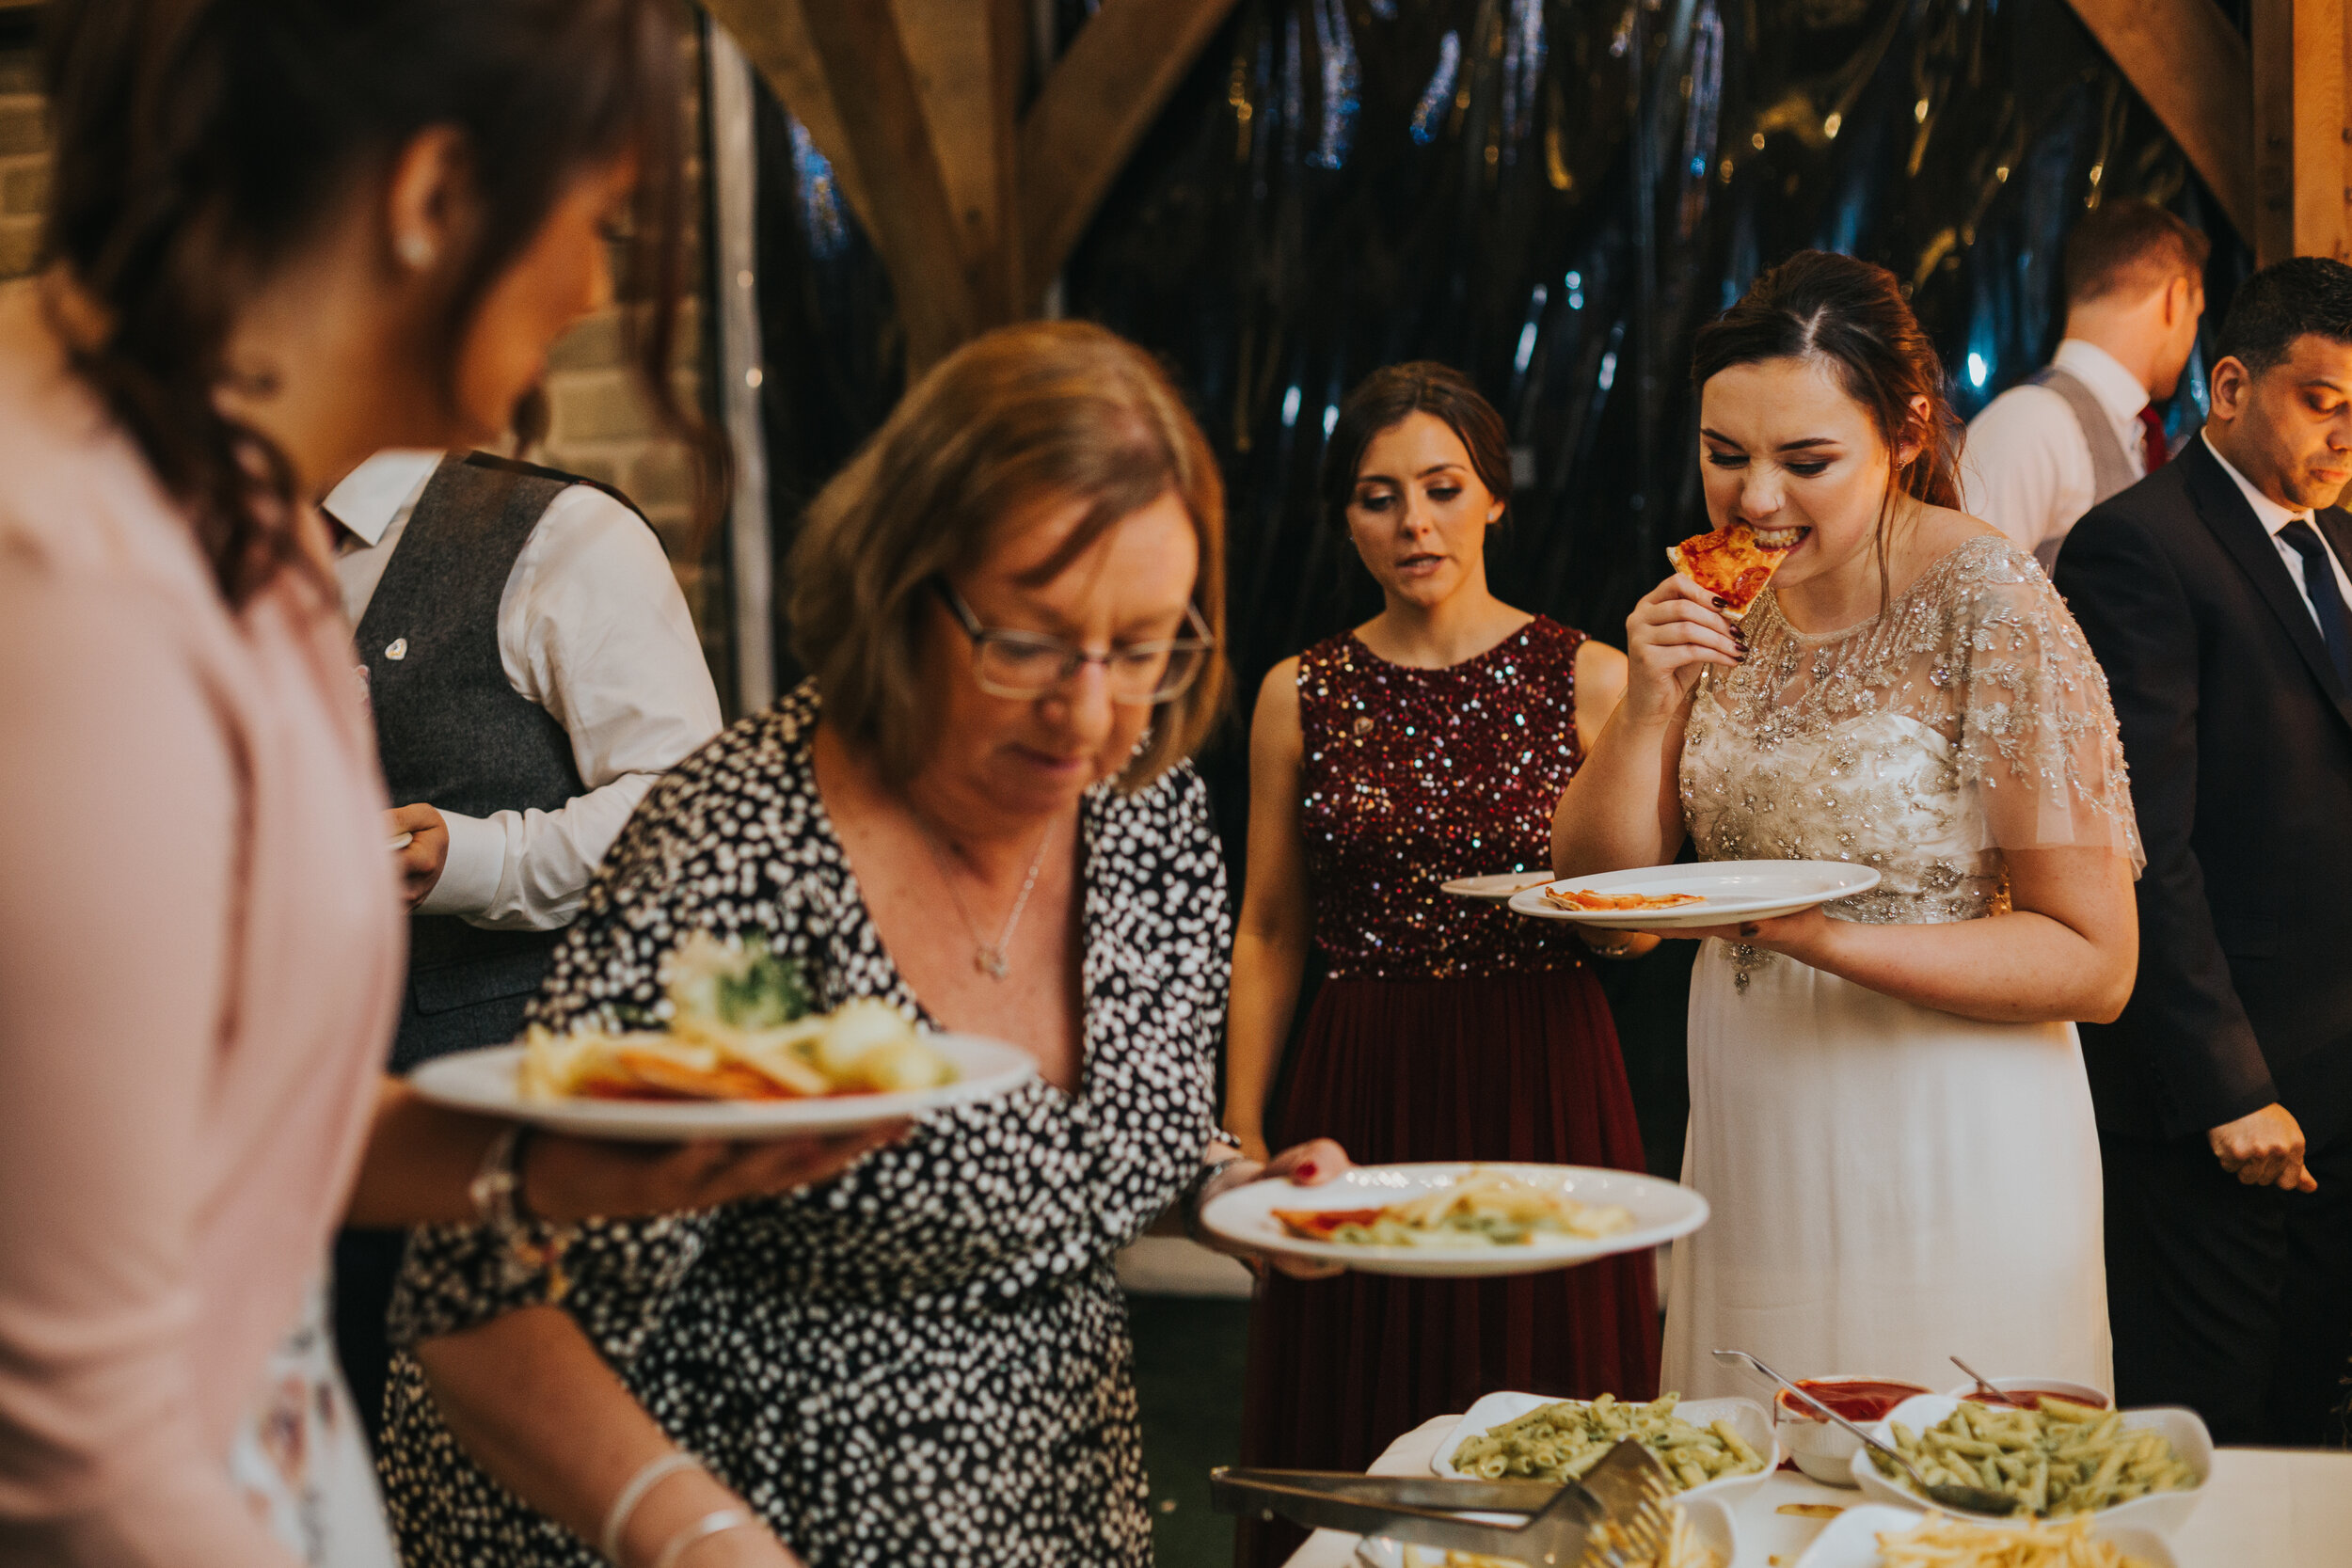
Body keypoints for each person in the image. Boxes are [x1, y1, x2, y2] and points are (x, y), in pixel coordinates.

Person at [0, 6, 890, 1565]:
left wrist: (552, 1156)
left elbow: (214, 1123)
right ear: (428, 200)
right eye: (595, 223)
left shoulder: (248, 524)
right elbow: (75, 1452)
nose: (602, 289)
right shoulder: (72, 587)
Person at [373, 320, 1356, 1568]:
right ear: (902, 589)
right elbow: (478, 1301)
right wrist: (693, 1530)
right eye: (1031, 641)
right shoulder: (738, 848)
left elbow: (1061, 1144)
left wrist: (1224, 1186)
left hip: (1049, 1512)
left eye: (1146, 643)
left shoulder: (1149, 809)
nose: (1092, 711)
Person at [1554, 251, 2144, 1401]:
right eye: (1724, 457)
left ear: (1906, 431)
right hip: (1752, 1113)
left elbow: (2097, 959)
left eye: (1805, 460)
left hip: (1949, 1125)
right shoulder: (1716, 607)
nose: (1756, 501)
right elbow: (1604, 911)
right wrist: (1644, 705)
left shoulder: (1990, 597)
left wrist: (1819, 935)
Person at [1227, 363, 1660, 1566]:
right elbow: (1268, 927)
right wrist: (1243, 1140)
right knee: (1355, 1403)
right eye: (1377, 497)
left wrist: (1609, 910)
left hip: (1543, 1071)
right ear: (1346, 517)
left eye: (1439, 487)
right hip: (1361, 1081)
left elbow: (1630, 922)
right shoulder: (1297, 692)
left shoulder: (1590, 678)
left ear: (1493, 498)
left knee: (1552, 1411)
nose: (1413, 523)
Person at [327, 445, 724, 1442]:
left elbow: (686, 813)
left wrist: (470, 858)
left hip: (499, 1133)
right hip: (279, 1141)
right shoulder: (205, 549)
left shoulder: (559, 535)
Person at [2053, 257, 2352, 1445]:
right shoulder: (2138, 546)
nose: (2345, 433)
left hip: (2335, 1084)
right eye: (2322, 399)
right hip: (2216, 1101)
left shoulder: (2332, 543)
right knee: (2207, 1438)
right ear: (2229, 384)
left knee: (2310, 1430)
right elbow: (2143, 842)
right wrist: (2230, 1081)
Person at [1961, 200, 2208, 570]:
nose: (2192, 339)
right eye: (2197, 314)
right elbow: (1959, 603)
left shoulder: (2128, 431)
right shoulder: (2033, 423)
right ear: (2175, 299)